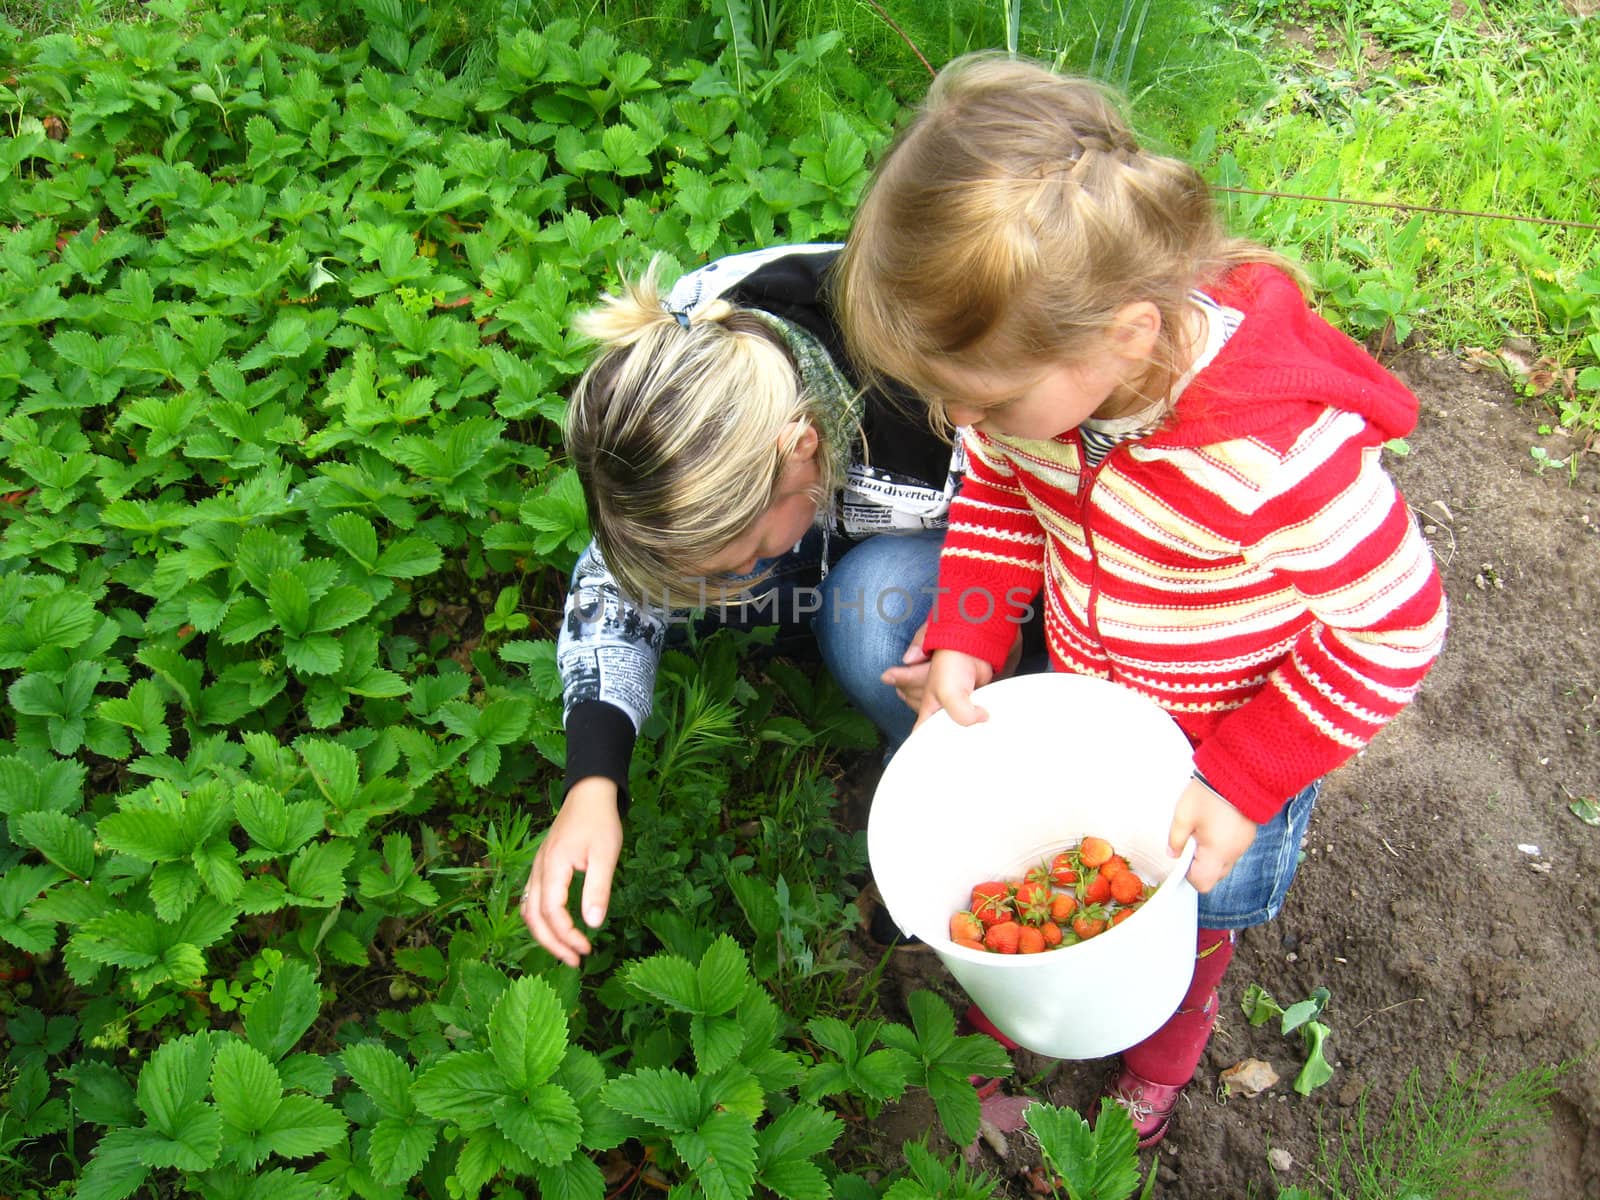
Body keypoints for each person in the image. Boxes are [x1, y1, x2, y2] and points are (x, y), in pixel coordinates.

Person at [835, 55, 1447, 1147]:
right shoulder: (1035, 404)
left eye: (980, 398)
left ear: (1123, 333)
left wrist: (1244, 777)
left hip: (1228, 745)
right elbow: (997, 493)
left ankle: (1164, 1051)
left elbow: (1397, 625)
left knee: (1192, 914)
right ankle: (1017, 1011)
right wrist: (969, 635)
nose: (957, 421)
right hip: (1092, 715)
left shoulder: (1272, 458)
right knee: (1061, 872)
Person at [522, 244, 1023, 968]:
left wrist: (968, 637)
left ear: (801, 450)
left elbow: (1037, 515)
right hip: (837, 512)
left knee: (868, 618)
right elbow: (611, 587)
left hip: (982, 527)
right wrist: (593, 781)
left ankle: (950, 784)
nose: (731, 585)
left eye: (744, 558)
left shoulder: (934, 394)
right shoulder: (690, 366)